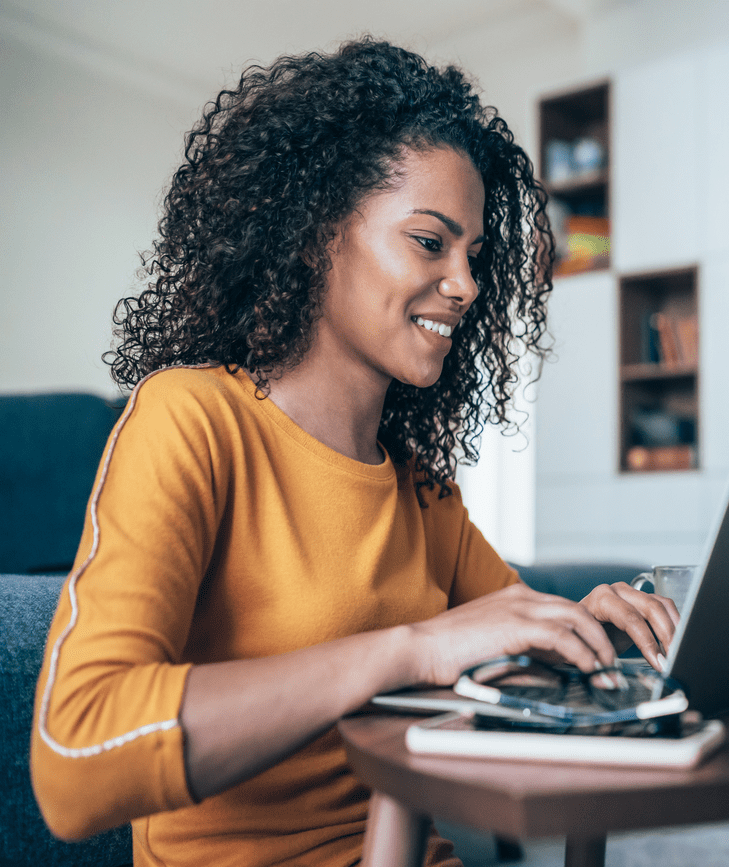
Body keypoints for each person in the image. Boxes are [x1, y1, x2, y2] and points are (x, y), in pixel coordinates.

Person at [30, 37, 677, 867]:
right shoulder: (191, 420)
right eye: (429, 241)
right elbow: (74, 763)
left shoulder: (420, 487)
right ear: (314, 235)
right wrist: (408, 650)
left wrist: (587, 633)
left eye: (474, 255)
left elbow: (508, 654)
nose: (468, 284)